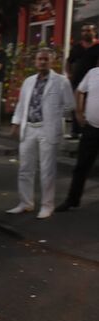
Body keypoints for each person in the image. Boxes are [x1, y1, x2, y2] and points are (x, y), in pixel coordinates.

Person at [6, 48, 75, 219]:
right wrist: (15, 124)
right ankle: (25, 203)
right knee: (25, 168)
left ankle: (47, 205)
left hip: (47, 128)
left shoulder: (61, 81)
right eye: (40, 59)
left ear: (52, 61)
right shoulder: (28, 81)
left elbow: (70, 105)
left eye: (46, 59)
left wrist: (55, 115)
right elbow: (22, 104)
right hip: (28, 127)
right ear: (35, 61)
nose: (42, 62)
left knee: (47, 170)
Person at [55, 65, 99, 212]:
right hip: (91, 128)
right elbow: (79, 91)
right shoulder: (92, 73)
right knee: (81, 166)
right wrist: (79, 112)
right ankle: (72, 200)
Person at [66, 23, 99, 139]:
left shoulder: (97, 46)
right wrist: (69, 74)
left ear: (94, 32)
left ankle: (88, 131)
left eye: (88, 31)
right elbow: (69, 61)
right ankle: (75, 131)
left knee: (90, 105)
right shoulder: (77, 47)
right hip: (77, 81)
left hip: (93, 82)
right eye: (83, 31)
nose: (85, 33)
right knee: (76, 105)